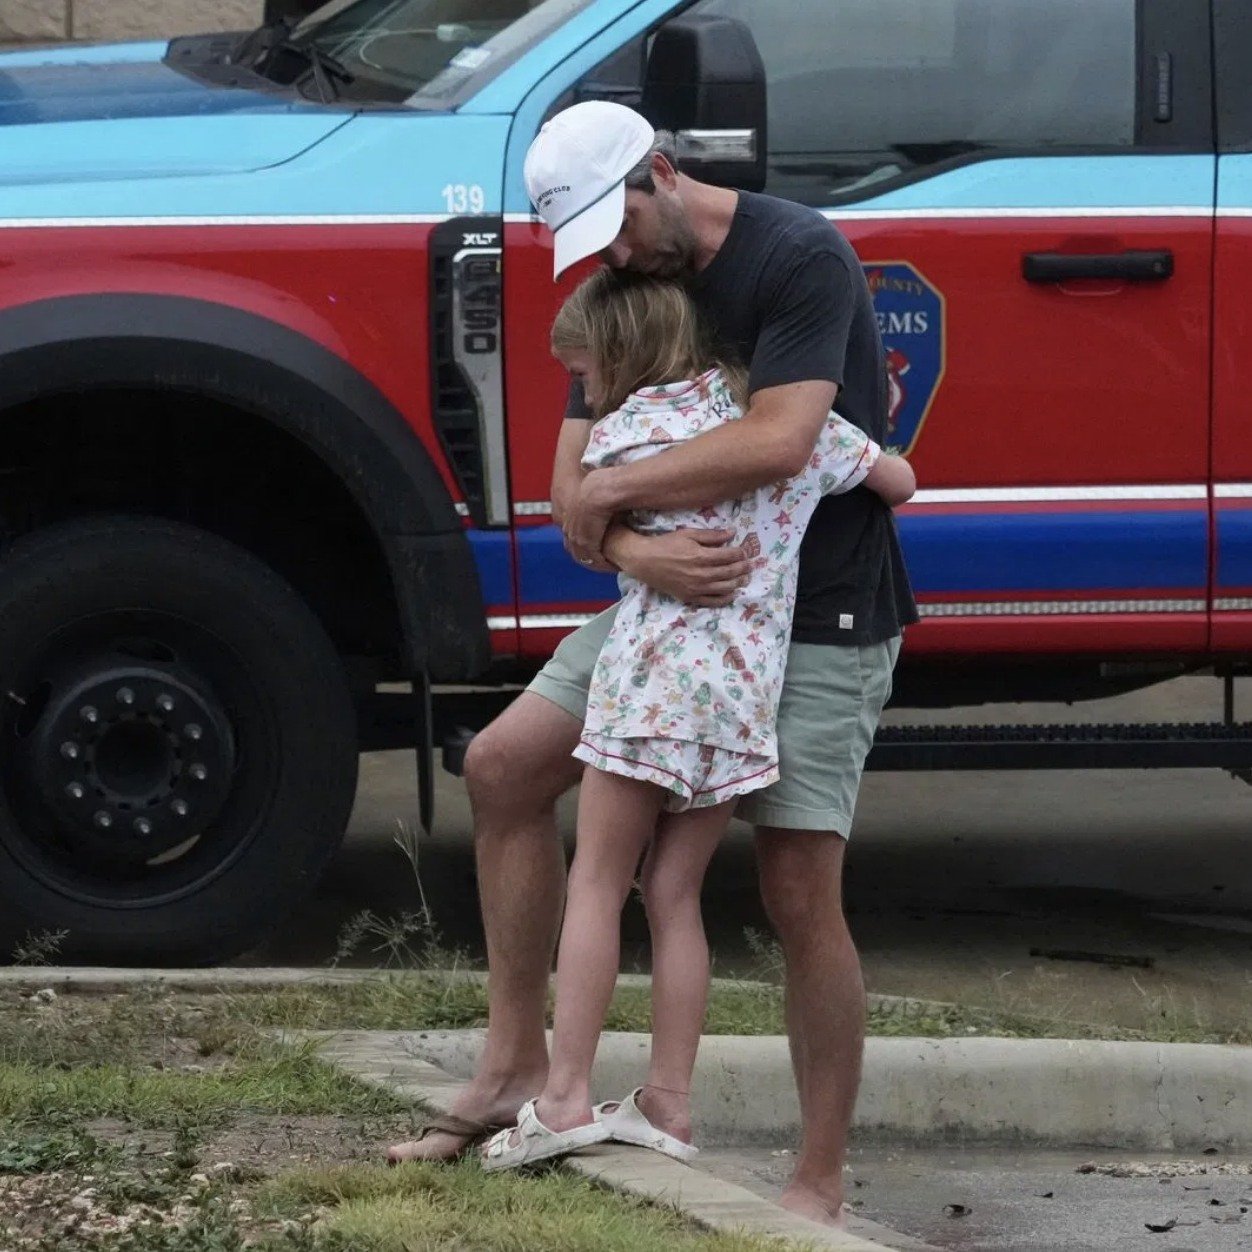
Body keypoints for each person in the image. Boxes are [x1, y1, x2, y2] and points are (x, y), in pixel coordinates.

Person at [389, 100, 918, 1229]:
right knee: (502, 765)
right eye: (592, 247)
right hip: (676, 606)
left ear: (662, 174)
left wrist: (614, 497)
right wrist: (637, 551)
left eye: (618, 230)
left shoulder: (798, 257)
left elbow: (781, 437)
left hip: (816, 609)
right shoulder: (631, 286)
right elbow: (568, 486)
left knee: (795, 887)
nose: (616, 260)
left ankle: (817, 1178)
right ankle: (515, 1068)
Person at [477, 270, 914, 1170]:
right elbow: (898, 482)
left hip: (648, 686)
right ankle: (668, 1106)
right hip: (743, 696)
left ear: (622, 358)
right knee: (674, 893)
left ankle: (562, 1099)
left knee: (598, 882)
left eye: (585, 374)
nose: (584, 393)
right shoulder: (793, 428)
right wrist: (871, 436)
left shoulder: (626, 435)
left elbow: (579, 519)